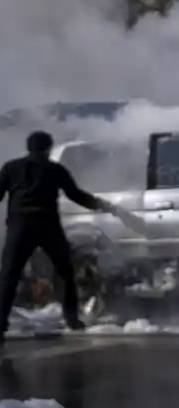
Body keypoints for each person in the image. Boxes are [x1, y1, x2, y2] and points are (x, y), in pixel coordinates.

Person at [0, 131, 112, 348]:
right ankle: (72, 320)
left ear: (28, 147)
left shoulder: (11, 168)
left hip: (19, 226)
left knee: (8, 277)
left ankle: (0, 325)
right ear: (49, 148)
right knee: (65, 273)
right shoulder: (55, 169)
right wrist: (103, 205)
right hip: (47, 225)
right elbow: (76, 195)